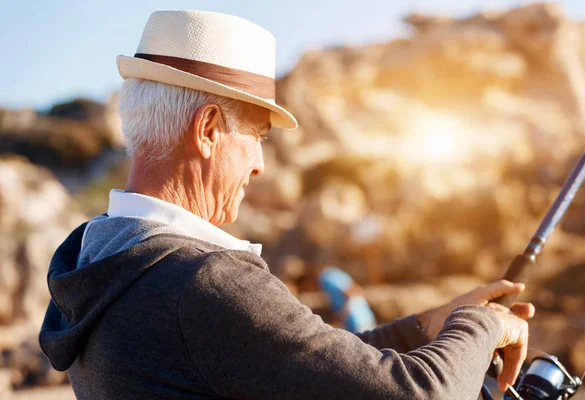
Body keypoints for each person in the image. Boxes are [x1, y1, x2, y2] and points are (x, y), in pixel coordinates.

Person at [39, 10, 534, 400]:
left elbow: (309, 364)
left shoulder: (101, 259)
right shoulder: (200, 283)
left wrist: (436, 322)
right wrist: (484, 325)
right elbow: (422, 395)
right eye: (257, 136)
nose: (259, 165)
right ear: (208, 130)